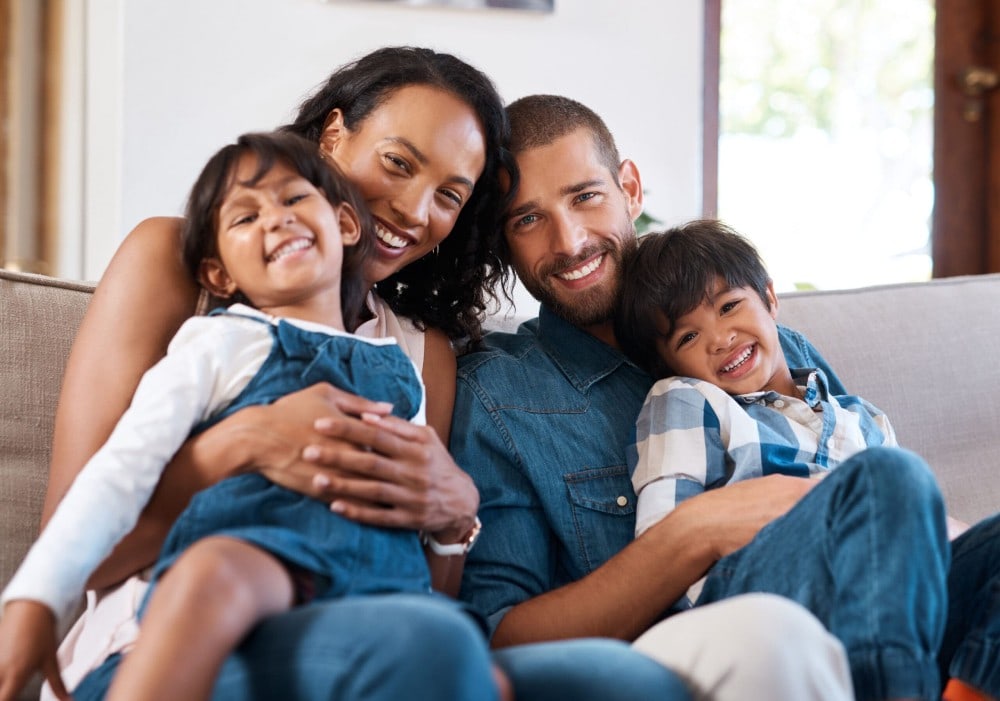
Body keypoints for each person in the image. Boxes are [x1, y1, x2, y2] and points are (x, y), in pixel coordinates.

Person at [22, 49, 692, 701]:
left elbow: (423, 587)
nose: (414, 211)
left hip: (364, 621)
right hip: (154, 642)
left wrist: (453, 521)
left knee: (627, 681)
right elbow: (77, 543)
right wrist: (243, 443)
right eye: (398, 163)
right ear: (334, 134)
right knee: (426, 644)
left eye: (449, 196)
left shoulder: (422, 352)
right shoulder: (182, 271)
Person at [0, 130, 505, 701]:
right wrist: (36, 597)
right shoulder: (221, 343)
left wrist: (450, 521)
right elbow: (118, 473)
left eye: (294, 199)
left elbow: (416, 508)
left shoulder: (401, 369)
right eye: (246, 217)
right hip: (259, 561)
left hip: (374, 586)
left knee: (476, 666)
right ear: (221, 275)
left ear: (345, 224)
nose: (277, 219)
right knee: (215, 571)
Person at [451, 94, 858, 700]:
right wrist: (693, 532)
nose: (569, 242)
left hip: (852, 606)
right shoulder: (497, 395)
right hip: (680, 653)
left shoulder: (765, 343)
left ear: (630, 189)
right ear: (503, 244)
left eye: (585, 197)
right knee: (772, 634)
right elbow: (499, 637)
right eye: (528, 220)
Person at [615, 219, 1000, 701]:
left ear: (770, 298)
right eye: (687, 338)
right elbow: (665, 544)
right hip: (763, 585)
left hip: (892, 596)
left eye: (729, 307)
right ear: (669, 364)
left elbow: (913, 525)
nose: (719, 339)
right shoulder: (687, 399)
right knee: (888, 476)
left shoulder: (864, 419)